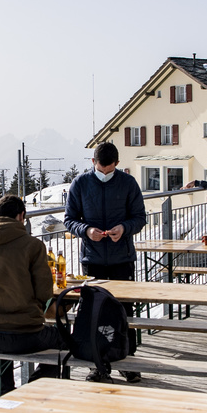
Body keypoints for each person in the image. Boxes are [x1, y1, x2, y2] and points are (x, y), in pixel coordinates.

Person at [0, 194, 67, 393]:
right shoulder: (33, 246)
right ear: (21, 216)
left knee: (0, 347)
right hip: (29, 334)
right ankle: (32, 389)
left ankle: (5, 393)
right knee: (66, 340)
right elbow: (44, 293)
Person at [64, 142, 147, 382]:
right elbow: (70, 219)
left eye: (109, 171)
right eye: (101, 169)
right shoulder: (80, 183)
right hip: (93, 260)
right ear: (93, 163)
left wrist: (124, 227)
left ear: (117, 165)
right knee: (94, 313)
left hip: (122, 258)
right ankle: (97, 363)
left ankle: (127, 360)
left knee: (124, 311)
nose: (105, 174)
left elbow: (139, 218)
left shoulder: (128, 183)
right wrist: (86, 230)